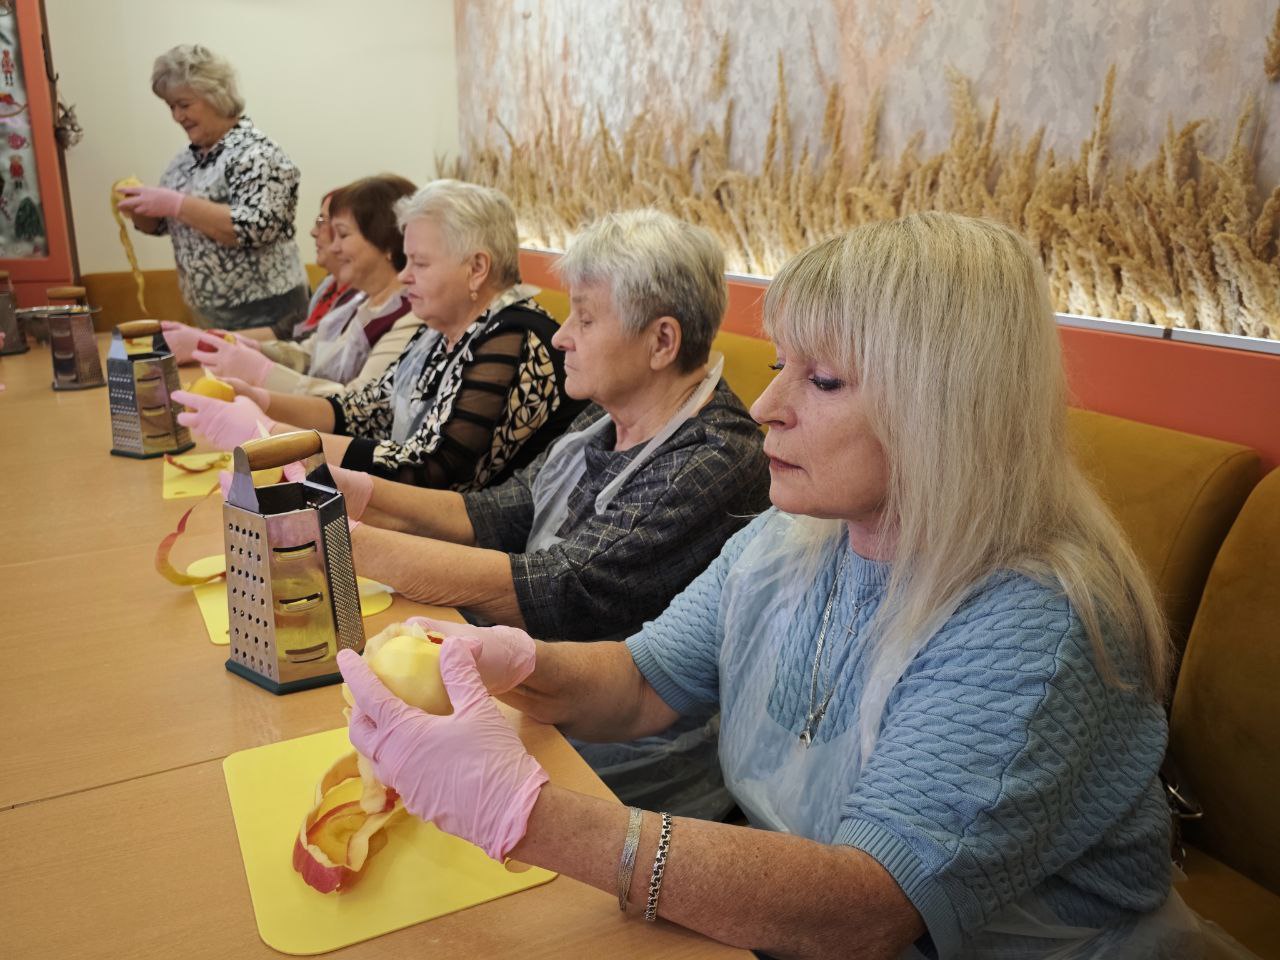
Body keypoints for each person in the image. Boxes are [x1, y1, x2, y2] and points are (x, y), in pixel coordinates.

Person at [337, 213, 1213, 958]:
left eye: (822, 380)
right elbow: (642, 683)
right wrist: (515, 665)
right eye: (779, 367)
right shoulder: (793, 536)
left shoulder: (1030, 621)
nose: (764, 409)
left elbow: (867, 907)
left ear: (947, 407)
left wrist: (523, 814)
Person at [174, 179, 579, 492]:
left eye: (419, 263)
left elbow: (432, 470)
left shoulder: (515, 337)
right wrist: (260, 398)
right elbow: (367, 409)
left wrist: (276, 436)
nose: (405, 276)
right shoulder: (443, 330)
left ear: (476, 269)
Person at [118, 44, 308, 337]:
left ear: (216, 97)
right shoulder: (184, 162)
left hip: (267, 312)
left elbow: (256, 228)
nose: (177, 116)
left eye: (184, 104)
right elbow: (163, 226)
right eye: (171, 107)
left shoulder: (258, 153)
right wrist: (139, 211)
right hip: (209, 313)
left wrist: (177, 204)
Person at [192, 174, 421, 397]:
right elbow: (311, 353)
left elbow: (357, 403)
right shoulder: (357, 299)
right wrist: (254, 349)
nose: (334, 247)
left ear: (386, 242)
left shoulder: (408, 317)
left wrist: (263, 373)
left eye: (343, 235)